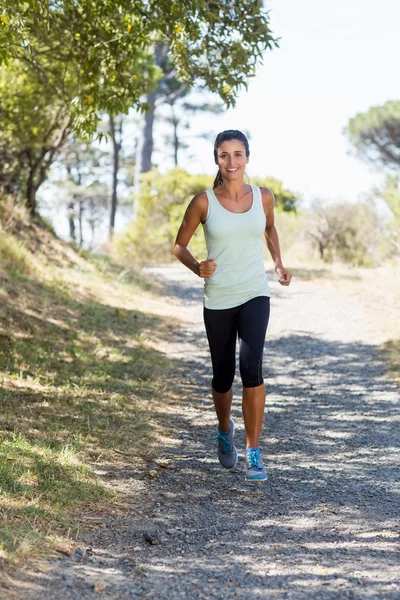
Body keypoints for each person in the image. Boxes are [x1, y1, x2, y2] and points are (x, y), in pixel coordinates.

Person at [173, 129, 292, 482]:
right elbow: (179, 246)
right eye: (224, 155)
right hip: (219, 296)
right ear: (216, 159)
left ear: (247, 158)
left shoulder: (264, 196)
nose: (232, 161)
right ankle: (225, 430)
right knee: (223, 375)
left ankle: (254, 452)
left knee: (251, 367)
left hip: (255, 290)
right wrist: (198, 267)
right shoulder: (203, 202)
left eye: (238, 154)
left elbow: (270, 229)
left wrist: (279, 264)